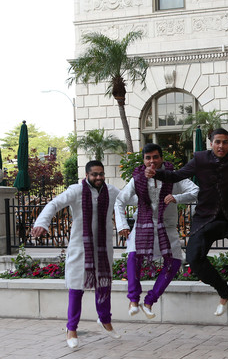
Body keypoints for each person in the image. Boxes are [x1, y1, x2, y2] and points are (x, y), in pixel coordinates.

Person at [145, 128, 228, 316]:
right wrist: (155, 173)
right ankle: (223, 291)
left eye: (225, 142)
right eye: (217, 142)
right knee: (193, 258)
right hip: (206, 219)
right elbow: (176, 175)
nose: (221, 146)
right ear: (211, 143)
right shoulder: (200, 159)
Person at [32, 160, 121, 348]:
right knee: (76, 288)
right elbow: (54, 204)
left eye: (101, 174)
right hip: (80, 248)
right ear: (86, 175)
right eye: (94, 174)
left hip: (103, 249)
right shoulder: (76, 191)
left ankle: (105, 321)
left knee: (104, 285)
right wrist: (42, 223)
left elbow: (129, 199)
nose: (98, 178)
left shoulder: (111, 191)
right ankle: (71, 329)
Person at [115, 143, 198, 319]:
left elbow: (196, 191)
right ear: (144, 160)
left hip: (166, 226)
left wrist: (177, 197)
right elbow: (119, 201)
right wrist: (122, 225)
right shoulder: (137, 178)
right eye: (148, 158)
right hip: (142, 225)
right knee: (133, 257)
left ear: (161, 158)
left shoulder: (173, 176)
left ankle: (150, 300)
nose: (152, 161)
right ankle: (133, 299)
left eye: (155, 157)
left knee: (175, 262)